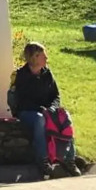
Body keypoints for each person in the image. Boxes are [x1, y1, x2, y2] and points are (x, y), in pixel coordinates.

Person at [9, 42, 81, 179]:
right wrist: (42, 110)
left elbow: (55, 95)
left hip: (47, 110)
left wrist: (53, 108)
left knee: (65, 117)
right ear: (35, 57)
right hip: (28, 112)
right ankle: (43, 160)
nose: (46, 58)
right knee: (39, 119)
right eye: (43, 55)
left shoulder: (47, 74)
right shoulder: (21, 75)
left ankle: (69, 159)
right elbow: (22, 100)